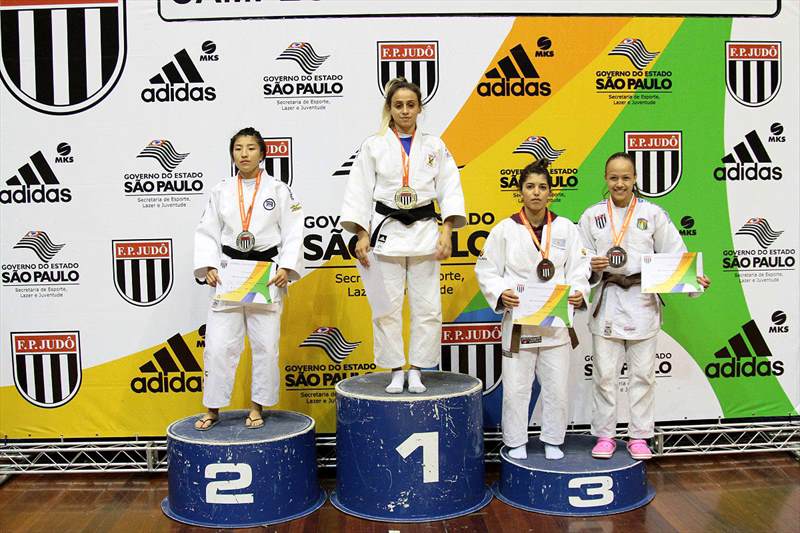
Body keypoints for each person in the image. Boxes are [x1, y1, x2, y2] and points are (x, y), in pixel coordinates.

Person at [578, 152, 710, 459]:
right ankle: (605, 435)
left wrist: (693, 280)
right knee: (605, 376)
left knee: (642, 375)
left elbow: (675, 253)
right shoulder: (591, 216)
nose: (619, 183)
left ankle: (639, 436)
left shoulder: (653, 214)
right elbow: (577, 261)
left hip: (642, 301)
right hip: (608, 301)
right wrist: (591, 267)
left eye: (626, 177)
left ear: (635, 178)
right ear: (605, 179)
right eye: (614, 177)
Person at [340, 77, 466, 393]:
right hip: (387, 232)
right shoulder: (374, 145)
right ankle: (396, 368)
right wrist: (362, 233)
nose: (405, 111)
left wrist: (447, 230)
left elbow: (450, 189)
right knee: (387, 307)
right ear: (390, 108)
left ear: (420, 108)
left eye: (411, 105)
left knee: (428, 307)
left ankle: (418, 368)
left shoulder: (435, 146)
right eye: (399, 105)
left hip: (424, 232)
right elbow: (359, 192)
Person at [475, 161, 589, 460]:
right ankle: (515, 441)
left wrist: (579, 291)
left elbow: (579, 268)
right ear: (520, 192)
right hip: (520, 324)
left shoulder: (566, 228)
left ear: (550, 192)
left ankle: (553, 439)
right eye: (530, 187)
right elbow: (486, 269)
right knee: (516, 389)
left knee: (556, 389)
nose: (536, 192)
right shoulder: (505, 230)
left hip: (555, 325)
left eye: (542, 187)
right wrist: (501, 292)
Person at [192, 127, 304, 430]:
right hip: (229, 273)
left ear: (262, 153)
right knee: (218, 346)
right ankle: (212, 408)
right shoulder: (221, 190)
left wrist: (286, 268)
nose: (244, 154)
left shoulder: (279, 190)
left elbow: (294, 231)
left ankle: (257, 407)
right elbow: (206, 231)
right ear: (232, 154)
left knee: (265, 345)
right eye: (238, 148)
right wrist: (208, 265)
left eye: (251, 148)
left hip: (265, 274)